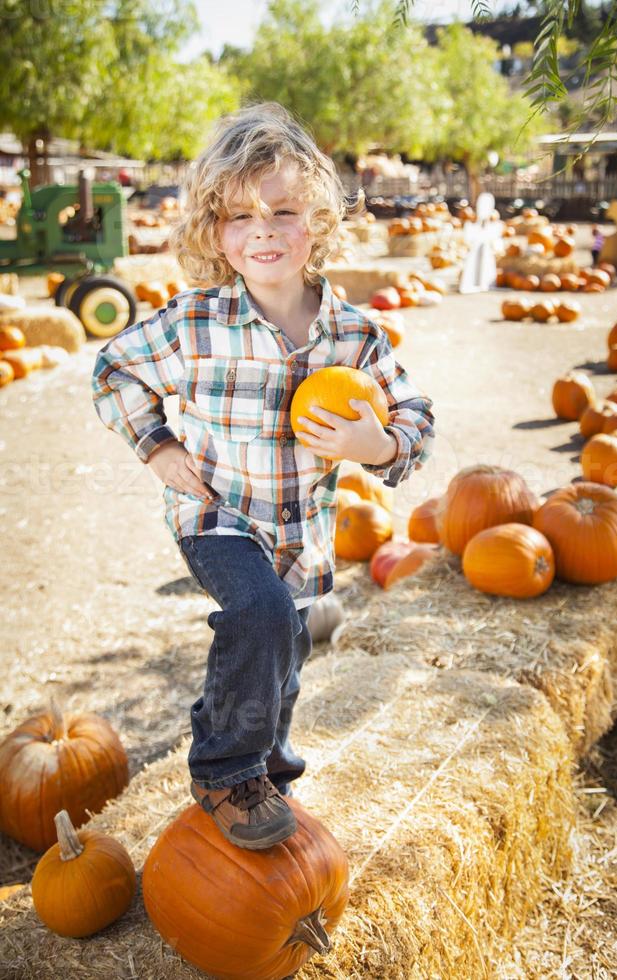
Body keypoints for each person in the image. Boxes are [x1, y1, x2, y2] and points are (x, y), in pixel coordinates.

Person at [91, 102, 435, 851]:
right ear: (215, 231)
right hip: (217, 515)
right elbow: (113, 370)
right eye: (240, 216)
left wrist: (379, 446)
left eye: (283, 211)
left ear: (318, 220)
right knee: (262, 619)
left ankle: (266, 764)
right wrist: (155, 447)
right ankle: (224, 769)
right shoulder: (194, 323)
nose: (264, 231)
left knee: (287, 650)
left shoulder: (355, 334)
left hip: (300, 533)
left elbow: (416, 412)